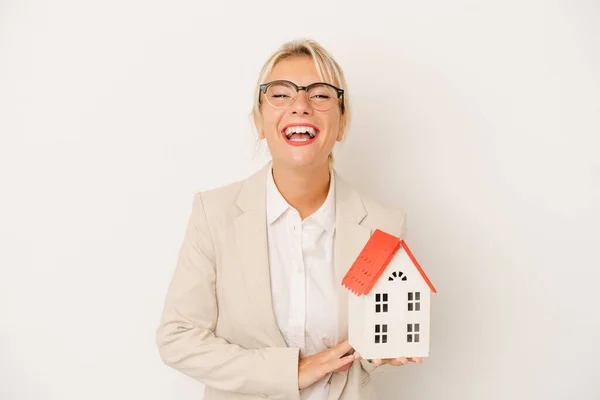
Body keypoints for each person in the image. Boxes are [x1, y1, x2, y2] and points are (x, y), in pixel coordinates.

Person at [155, 38, 422, 400]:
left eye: (321, 94)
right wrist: (291, 372)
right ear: (259, 122)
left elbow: (374, 336)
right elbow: (179, 337)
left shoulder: (383, 224)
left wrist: (385, 348)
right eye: (280, 94)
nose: (301, 105)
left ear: (342, 124)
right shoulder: (213, 214)